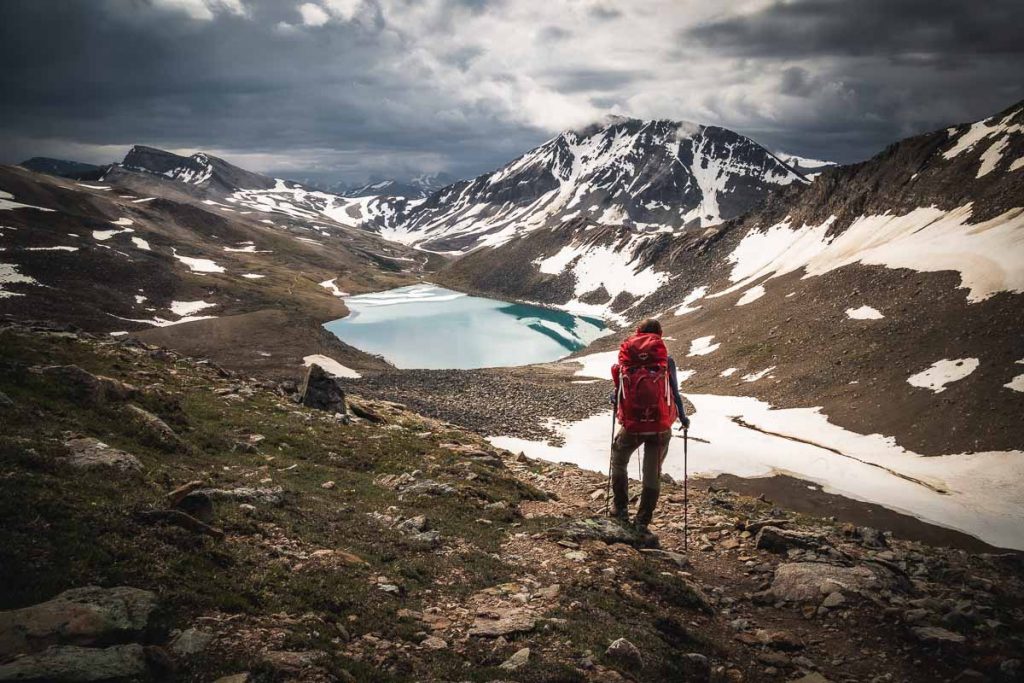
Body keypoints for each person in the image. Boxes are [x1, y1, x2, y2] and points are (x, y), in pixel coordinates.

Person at [609, 318, 689, 537]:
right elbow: (674, 391)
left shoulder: (628, 361)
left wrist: (616, 402)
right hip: (661, 426)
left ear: (638, 332)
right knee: (652, 473)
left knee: (618, 459)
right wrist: (682, 417)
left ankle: (620, 509)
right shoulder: (665, 361)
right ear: (659, 335)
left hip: (633, 426)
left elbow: (617, 393)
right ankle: (642, 522)